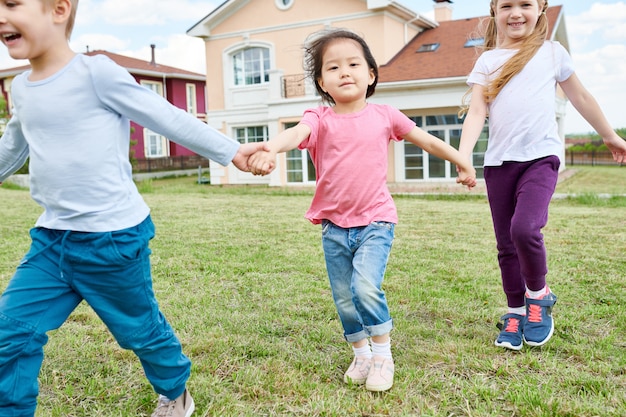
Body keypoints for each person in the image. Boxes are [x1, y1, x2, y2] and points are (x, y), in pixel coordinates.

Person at [0, 1, 269, 416]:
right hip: (51, 240)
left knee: (139, 330)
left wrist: (232, 151)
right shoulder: (20, 87)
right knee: (10, 332)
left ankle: (175, 389)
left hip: (112, 240)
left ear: (58, 9)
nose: (1, 14)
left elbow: (164, 116)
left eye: (12, 3)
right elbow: (12, 148)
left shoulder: (96, 73)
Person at [248, 28, 476, 392]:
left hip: (376, 221)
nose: (345, 72)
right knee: (343, 296)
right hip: (334, 227)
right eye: (333, 67)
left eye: (353, 64)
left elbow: (428, 140)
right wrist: (269, 149)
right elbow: (293, 133)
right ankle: (361, 354)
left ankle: (383, 356)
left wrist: (462, 161)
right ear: (322, 82)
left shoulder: (385, 115)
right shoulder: (319, 118)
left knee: (364, 287)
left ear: (371, 74)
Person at [458, 0, 626, 351]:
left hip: (540, 158)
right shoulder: (487, 61)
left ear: (540, 8)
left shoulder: (552, 53)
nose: (515, 12)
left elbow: (580, 96)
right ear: (494, 11)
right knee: (506, 244)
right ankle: (515, 312)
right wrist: (463, 156)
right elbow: (476, 111)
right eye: (506, 5)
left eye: (525, 4)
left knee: (525, 228)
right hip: (499, 163)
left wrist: (609, 135)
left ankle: (539, 296)